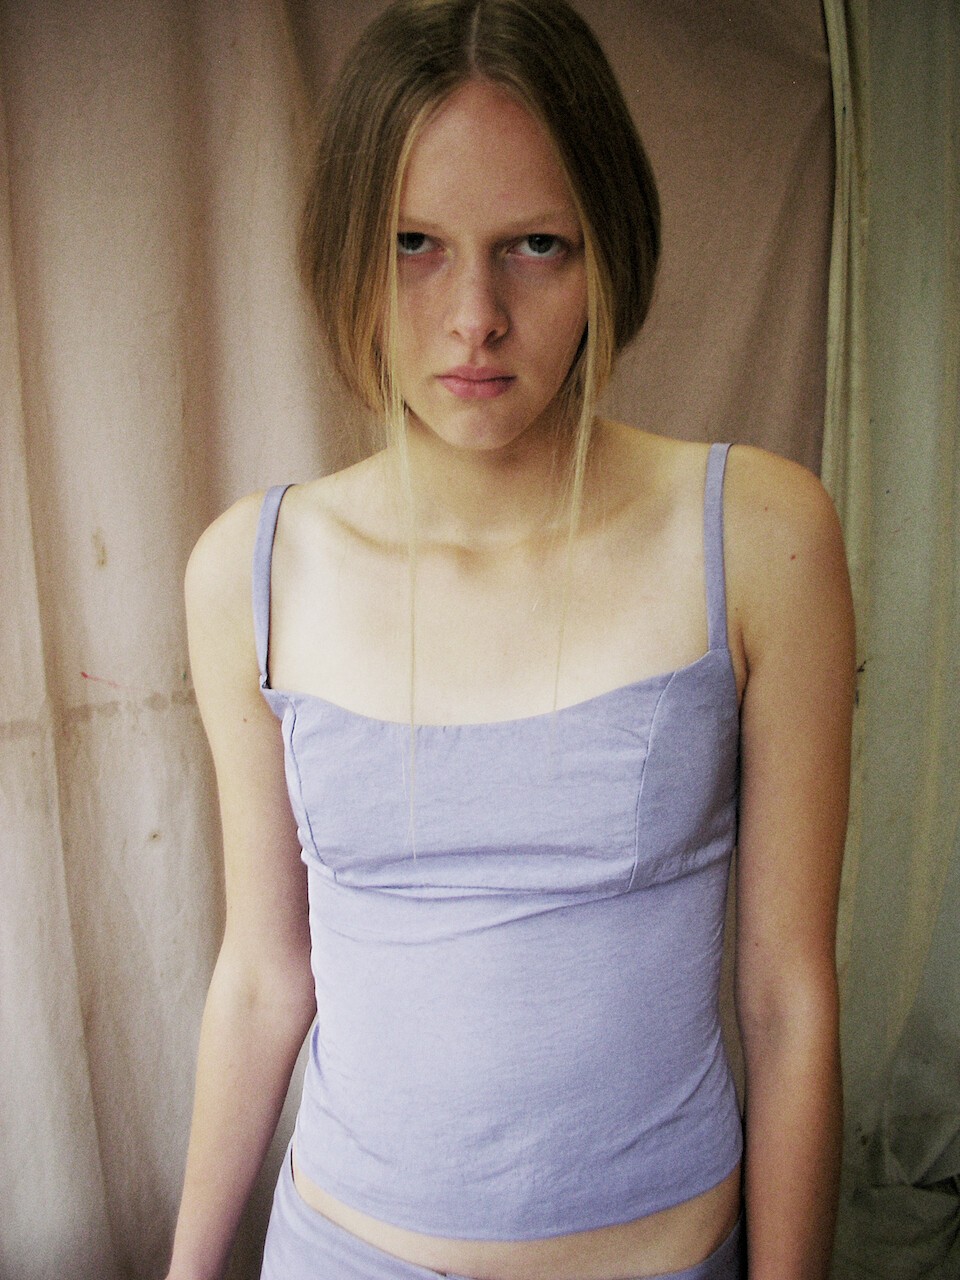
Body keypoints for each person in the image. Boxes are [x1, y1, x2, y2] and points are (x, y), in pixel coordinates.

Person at [166, 2, 854, 1278]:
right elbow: (264, 975)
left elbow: (789, 997)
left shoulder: (759, 536)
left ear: (608, 248)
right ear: (343, 257)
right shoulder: (249, 573)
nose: (474, 316)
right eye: (413, 245)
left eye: (535, 244)